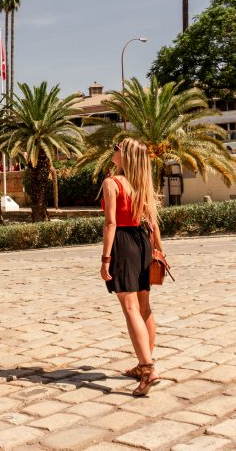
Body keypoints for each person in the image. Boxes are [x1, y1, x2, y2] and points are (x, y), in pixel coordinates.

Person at [100, 138, 164, 397]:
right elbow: (154, 222)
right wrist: (159, 250)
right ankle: (143, 364)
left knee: (130, 308)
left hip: (124, 244)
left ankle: (148, 369)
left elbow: (110, 224)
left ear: (124, 155)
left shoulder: (111, 183)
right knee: (145, 307)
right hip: (143, 243)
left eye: (116, 148)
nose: (113, 150)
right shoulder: (143, 185)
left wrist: (105, 260)